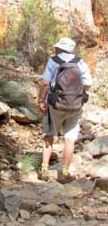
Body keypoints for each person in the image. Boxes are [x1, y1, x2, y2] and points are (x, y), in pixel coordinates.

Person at [37, 37, 92, 182]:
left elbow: (45, 84)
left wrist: (41, 100)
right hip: (75, 105)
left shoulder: (54, 61)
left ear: (60, 49)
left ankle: (44, 169)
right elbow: (88, 84)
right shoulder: (80, 62)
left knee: (49, 135)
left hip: (55, 104)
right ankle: (65, 173)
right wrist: (77, 96)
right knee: (70, 139)